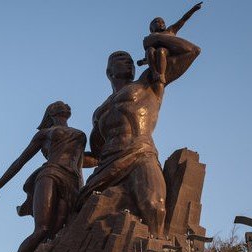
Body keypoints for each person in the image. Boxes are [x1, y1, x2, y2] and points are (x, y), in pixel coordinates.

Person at [77, 33, 200, 238]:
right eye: (119, 59)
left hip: (140, 152)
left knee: (154, 205)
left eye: (130, 60)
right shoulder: (99, 112)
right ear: (109, 71)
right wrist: (68, 161)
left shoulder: (149, 83)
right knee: (79, 210)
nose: (128, 61)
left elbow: (192, 51)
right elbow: (95, 153)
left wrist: (155, 38)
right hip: (107, 163)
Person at [0, 101, 87, 252]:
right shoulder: (44, 134)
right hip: (50, 174)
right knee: (42, 230)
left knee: (57, 232)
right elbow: (20, 161)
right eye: (59, 105)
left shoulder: (80, 135)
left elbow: (81, 163)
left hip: (72, 182)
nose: (65, 104)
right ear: (51, 114)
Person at [137, 2, 202, 83]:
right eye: (157, 22)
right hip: (154, 55)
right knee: (150, 50)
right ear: (151, 28)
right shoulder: (149, 38)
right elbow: (150, 56)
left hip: (167, 53)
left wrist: (193, 9)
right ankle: (155, 73)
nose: (161, 24)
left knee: (161, 50)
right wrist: (143, 62)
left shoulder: (170, 30)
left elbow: (183, 19)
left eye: (163, 22)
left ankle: (162, 74)